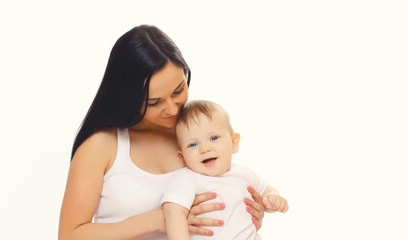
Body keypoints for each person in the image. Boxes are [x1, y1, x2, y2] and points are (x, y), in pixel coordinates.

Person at [58, 25, 267, 239]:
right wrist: (156, 220)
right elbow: (69, 235)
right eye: (155, 102)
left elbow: (228, 188)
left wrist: (246, 214)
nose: (173, 108)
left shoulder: (194, 133)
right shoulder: (102, 145)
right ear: (129, 96)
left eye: (178, 90)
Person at [161, 100, 289, 240]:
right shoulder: (188, 179)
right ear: (182, 157)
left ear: (233, 143)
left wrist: (273, 198)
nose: (204, 149)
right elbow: (173, 213)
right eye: (192, 144)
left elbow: (266, 194)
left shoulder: (243, 174)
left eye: (214, 138)